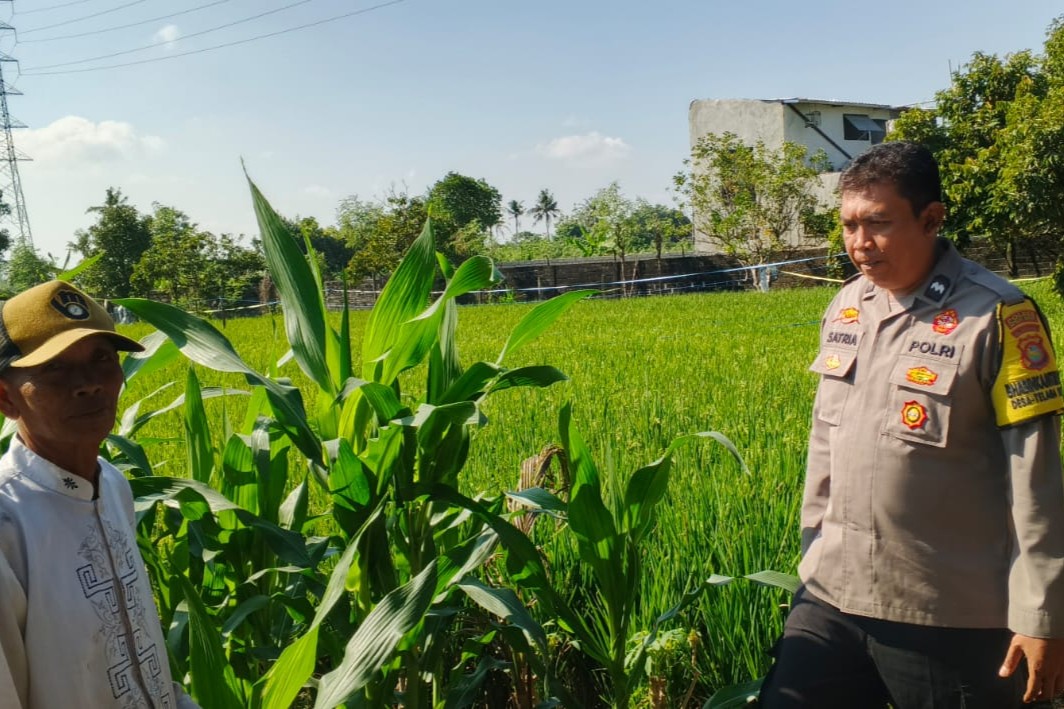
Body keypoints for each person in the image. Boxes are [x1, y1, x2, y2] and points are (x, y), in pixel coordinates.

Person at [759, 141, 1064, 708]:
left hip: (943, 610)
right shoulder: (846, 307)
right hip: (830, 594)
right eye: (848, 225)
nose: (858, 244)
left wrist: (1041, 614)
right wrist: (810, 559)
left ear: (931, 219)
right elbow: (824, 445)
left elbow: (1036, 480)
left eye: (877, 223)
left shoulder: (998, 316)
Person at [0, 280, 199, 708]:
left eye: (102, 359)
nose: (88, 383)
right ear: (6, 398)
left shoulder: (112, 484)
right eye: (54, 367)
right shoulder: (7, 522)